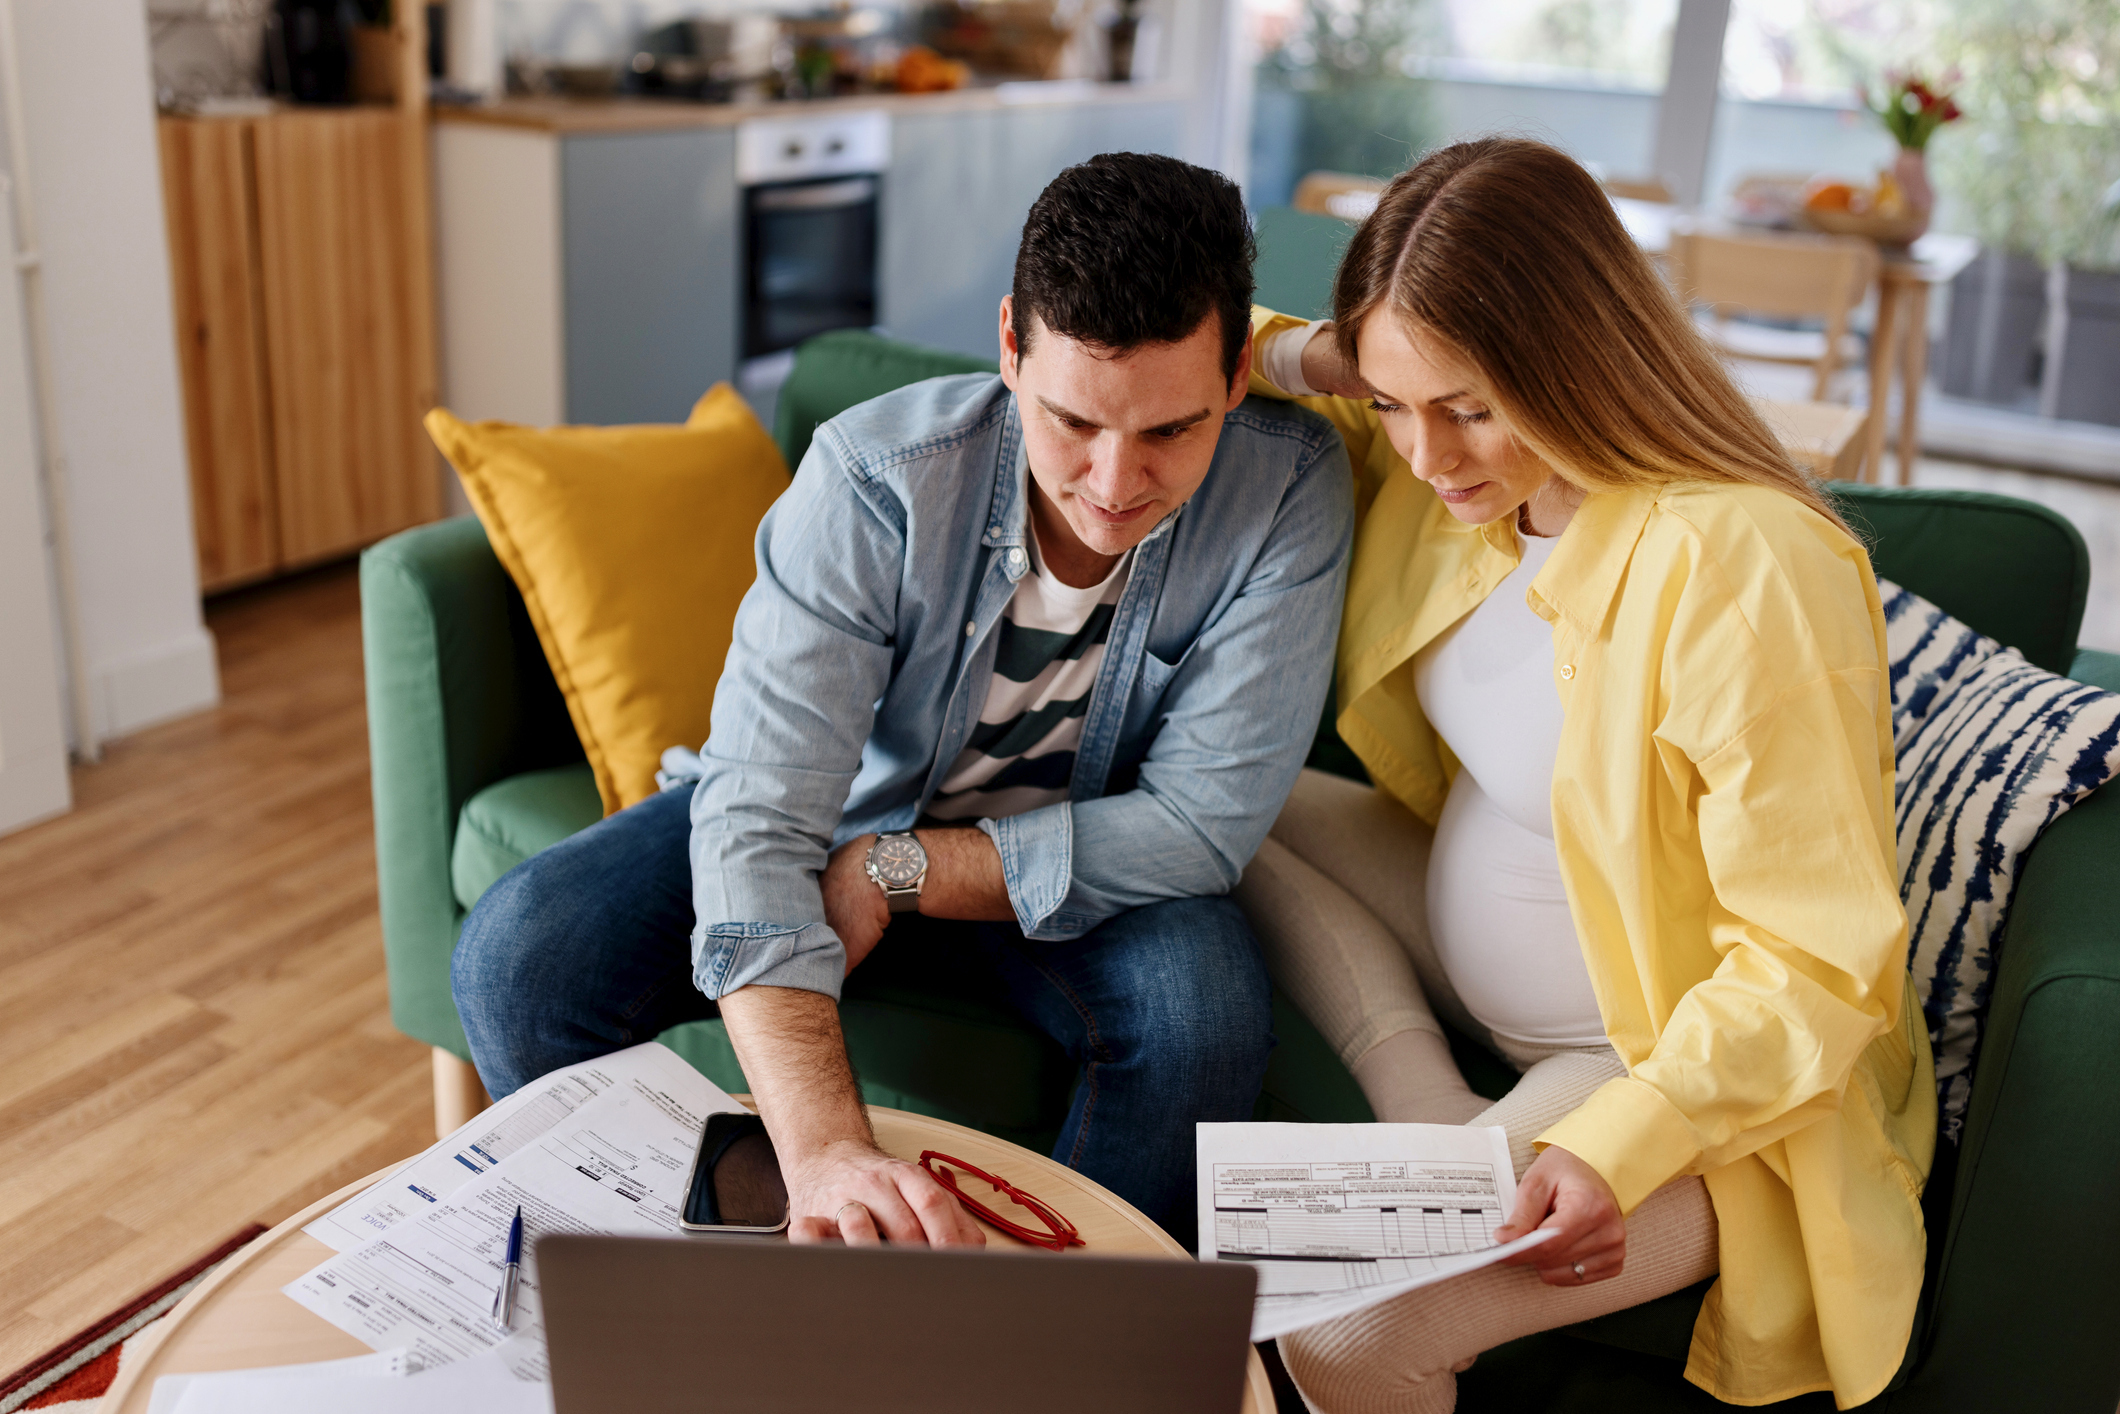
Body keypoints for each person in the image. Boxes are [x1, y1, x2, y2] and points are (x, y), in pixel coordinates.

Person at [451, 152, 1354, 1250]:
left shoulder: (1289, 489)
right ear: (1011, 345)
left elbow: (1200, 826)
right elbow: (759, 818)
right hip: (846, 810)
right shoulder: (874, 480)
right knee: (520, 951)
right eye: (1074, 422)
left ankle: (1051, 1346)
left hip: (1075, 846)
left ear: (1233, 381)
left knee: (1203, 1017)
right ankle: (688, 1292)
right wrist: (825, 1148)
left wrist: (902, 871)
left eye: (1172, 430)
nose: (1115, 485)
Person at [1233, 137, 1935, 1411]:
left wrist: (1613, 1146)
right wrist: (1360, 360)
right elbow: (1218, 345)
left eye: (1468, 404)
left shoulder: (1738, 565)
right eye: (1391, 405)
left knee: (1342, 1328)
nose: (1427, 458)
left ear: (1576, 357)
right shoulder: (1468, 477)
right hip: (1476, 955)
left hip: (1662, 1063)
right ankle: (1428, 1104)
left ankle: (1483, 1135)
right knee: (1212, 805)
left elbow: (1821, 961)